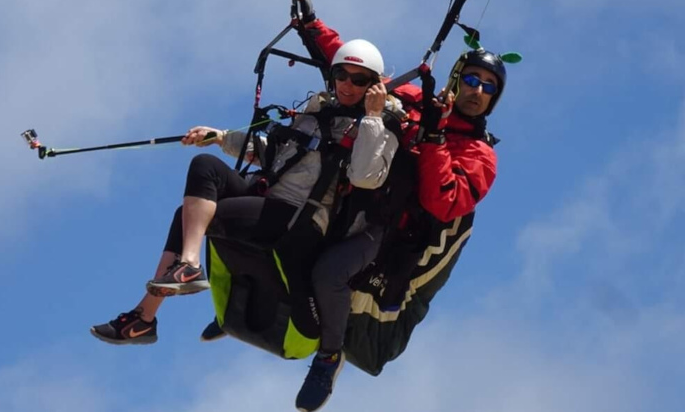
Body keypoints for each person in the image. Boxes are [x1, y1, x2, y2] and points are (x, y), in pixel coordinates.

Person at [198, 2, 512, 410]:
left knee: (327, 270)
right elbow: (355, 71)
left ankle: (327, 361)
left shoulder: (477, 153)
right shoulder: (415, 98)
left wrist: (433, 141)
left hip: (383, 232)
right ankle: (243, 303)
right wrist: (309, 26)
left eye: (489, 87)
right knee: (255, 207)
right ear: (456, 79)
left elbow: (445, 202)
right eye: (472, 79)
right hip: (337, 199)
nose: (478, 90)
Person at [89, 37, 400, 349]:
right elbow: (278, 154)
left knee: (201, 218)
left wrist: (372, 116)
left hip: (302, 216)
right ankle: (177, 277)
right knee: (204, 166)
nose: (346, 84)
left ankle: (149, 311)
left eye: (358, 80)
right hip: (271, 196)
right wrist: (220, 138)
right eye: (340, 76)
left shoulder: (381, 127)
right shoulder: (320, 108)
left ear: (375, 85)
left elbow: (365, 178)